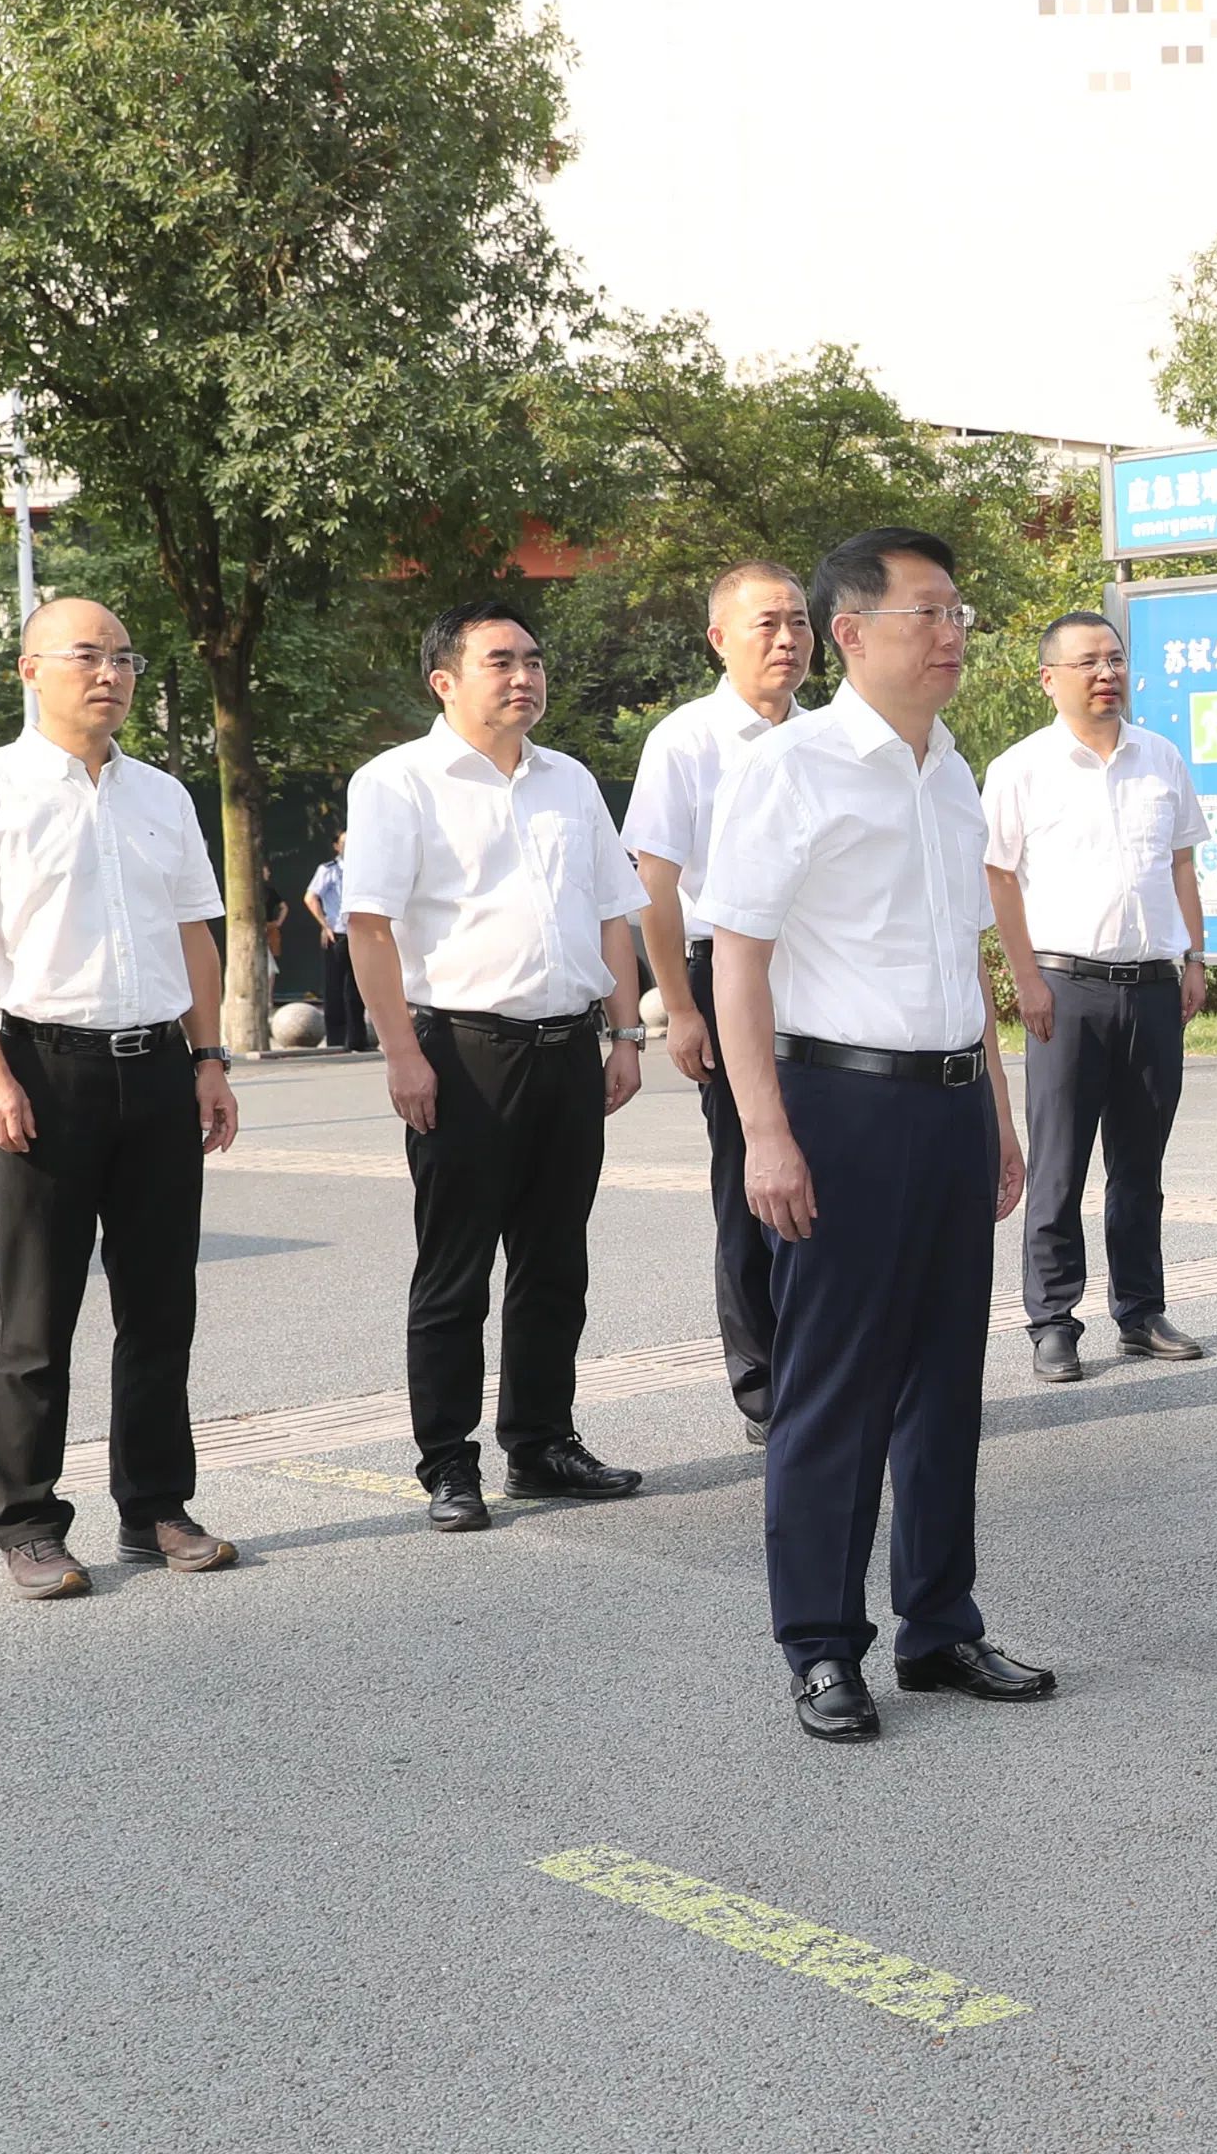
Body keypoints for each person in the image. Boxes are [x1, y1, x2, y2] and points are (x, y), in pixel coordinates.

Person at [691, 526, 1049, 1743]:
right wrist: (766, 1137)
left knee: (946, 1382)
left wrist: (996, 1117)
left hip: (949, 1105)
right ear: (851, 633)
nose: (953, 634)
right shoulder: (790, 770)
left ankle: (939, 1625)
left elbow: (966, 958)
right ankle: (821, 1646)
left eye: (958, 613)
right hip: (837, 1107)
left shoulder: (952, 769)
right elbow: (737, 964)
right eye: (927, 613)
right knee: (833, 1390)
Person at [0, 597, 243, 1597]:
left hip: (158, 1068)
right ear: (29, 670)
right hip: (45, 1069)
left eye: (125, 657)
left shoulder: (163, 798)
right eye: (86, 655)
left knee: (159, 1304)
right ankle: (28, 1520)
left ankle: (156, 1507)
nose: (110, 674)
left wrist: (209, 1057)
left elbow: (195, 933)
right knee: (37, 1313)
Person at [340, 600, 655, 1535]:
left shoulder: (569, 782)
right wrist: (403, 1052)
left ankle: (542, 1442)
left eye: (533, 659)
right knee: (456, 1269)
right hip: (461, 1052)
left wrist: (626, 1032)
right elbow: (370, 927)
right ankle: (448, 1460)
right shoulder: (399, 781)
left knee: (557, 1261)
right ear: (446, 681)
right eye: (500, 661)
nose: (524, 676)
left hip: (567, 1049)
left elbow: (613, 912)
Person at [986, 607, 1212, 1384]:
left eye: (1114, 658)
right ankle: (1052, 1319)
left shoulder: (1161, 758)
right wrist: (1024, 977)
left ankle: (1141, 1312)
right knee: (1058, 1163)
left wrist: (1195, 956)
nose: (1106, 672)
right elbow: (998, 875)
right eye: (1087, 661)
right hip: (1066, 986)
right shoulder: (1021, 768)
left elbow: (1181, 863)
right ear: (1050, 678)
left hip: (1151, 984)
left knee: (1141, 1164)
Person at [622, 560, 809, 1440]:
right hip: (719, 970)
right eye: (767, 623)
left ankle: (825, 1362)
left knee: (823, 1165)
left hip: (815, 971)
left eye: (800, 623)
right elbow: (654, 881)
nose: (787, 640)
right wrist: (679, 1006)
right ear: (719, 637)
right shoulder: (687, 739)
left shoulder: (828, 737)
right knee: (750, 1175)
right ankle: (763, 1379)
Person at [301, 849, 370, 1051]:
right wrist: (325, 925)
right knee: (335, 987)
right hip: (337, 933)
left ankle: (358, 1039)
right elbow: (310, 897)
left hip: (358, 933)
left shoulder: (362, 868)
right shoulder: (328, 870)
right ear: (336, 846)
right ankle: (337, 1041)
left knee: (357, 988)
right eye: (344, 842)